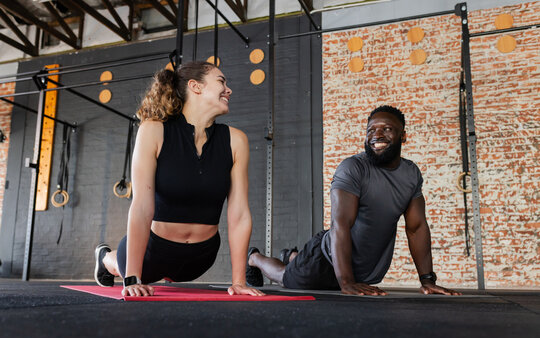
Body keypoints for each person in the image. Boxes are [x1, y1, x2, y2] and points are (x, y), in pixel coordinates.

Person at [246, 105, 461, 296]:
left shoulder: (411, 174)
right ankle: (256, 258)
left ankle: (293, 256)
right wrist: (347, 282)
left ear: (403, 136)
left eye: (386, 129)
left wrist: (427, 280)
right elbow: (340, 225)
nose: (377, 135)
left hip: (363, 269)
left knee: (297, 268)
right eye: (371, 130)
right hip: (326, 260)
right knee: (286, 278)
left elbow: (416, 227)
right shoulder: (353, 168)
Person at [94, 61, 264, 297]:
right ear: (195, 86)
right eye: (221, 82)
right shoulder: (153, 130)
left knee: (182, 270)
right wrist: (132, 277)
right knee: (120, 267)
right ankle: (105, 259)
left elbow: (239, 214)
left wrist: (239, 281)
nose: (229, 89)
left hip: (200, 258)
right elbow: (142, 206)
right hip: (152, 253)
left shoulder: (236, 141)